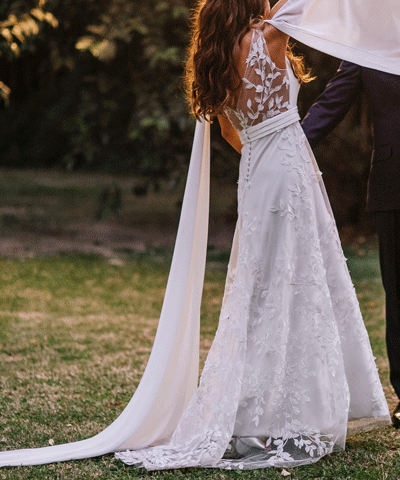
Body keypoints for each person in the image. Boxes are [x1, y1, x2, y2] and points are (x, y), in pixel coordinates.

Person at [0, 0, 396, 471]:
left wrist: (266, 146)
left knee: (260, 288)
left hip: (256, 169)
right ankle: (295, 407)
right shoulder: (269, 36)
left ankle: (259, 408)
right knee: (295, 282)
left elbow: (231, 133)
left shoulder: (217, 54)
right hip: (287, 172)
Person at [301, 60, 400, 429]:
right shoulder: (366, 44)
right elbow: (329, 105)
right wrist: (281, 146)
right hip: (394, 184)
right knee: (398, 290)